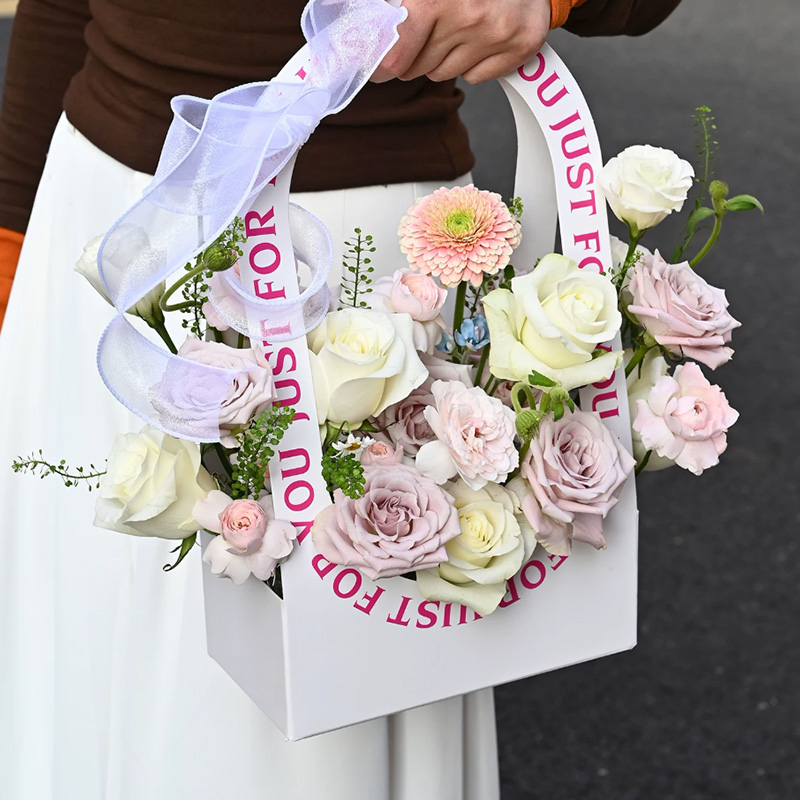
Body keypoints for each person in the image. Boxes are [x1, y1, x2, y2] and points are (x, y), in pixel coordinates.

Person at [0, 1, 682, 798]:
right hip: (99, 220)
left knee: (289, 737)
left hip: (345, 236)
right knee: (71, 648)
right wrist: (12, 240)